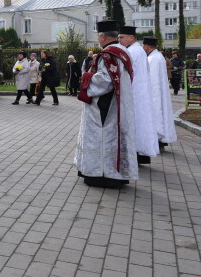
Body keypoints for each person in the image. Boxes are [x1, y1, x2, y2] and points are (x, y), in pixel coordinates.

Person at [75, 20, 137, 188]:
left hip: (105, 107)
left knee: (102, 138)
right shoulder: (123, 51)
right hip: (119, 102)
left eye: (98, 36)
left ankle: (101, 175)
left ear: (102, 37)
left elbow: (105, 81)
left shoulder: (108, 54)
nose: (97, 38)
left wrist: (86, 77)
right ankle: (115, 174)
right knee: (114, 138)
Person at [117, 26, 160, 164]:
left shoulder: (131, 52)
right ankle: (140, 153)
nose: (119, 40)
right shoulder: (137, 50)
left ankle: (135, 154)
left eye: (122, 37)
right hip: (140, 94)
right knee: (140, 124)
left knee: (135, 125)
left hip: (134, 94)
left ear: (131, 37)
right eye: (118, 37)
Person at [142, 37, 178, 150]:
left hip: (155, 94)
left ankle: (158, 140)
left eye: (143, 45)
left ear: (147, 46)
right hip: (159, 93)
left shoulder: (152, 59)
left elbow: (153, 81)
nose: (142, 47)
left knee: (157, 116)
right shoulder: (158, 56)